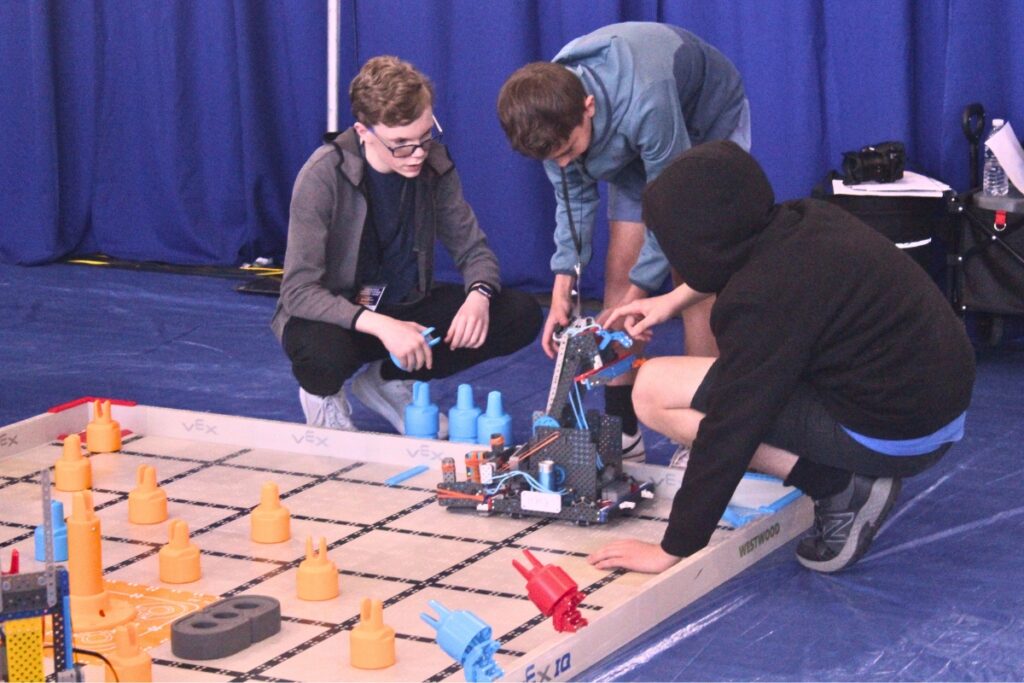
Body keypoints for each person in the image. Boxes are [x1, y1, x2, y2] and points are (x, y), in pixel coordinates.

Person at [587, 141, 976, 574]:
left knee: (653, 394)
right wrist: (671, 301)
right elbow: (739, 252)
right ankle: (840, 467)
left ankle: (838, 484)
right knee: (702, 388)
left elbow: (731, 428)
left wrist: (673, 548)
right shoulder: (806, 218)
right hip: (933, 404)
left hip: (897, 433)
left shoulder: (760, 301)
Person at [497, 22, 751, 462]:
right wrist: (562, 287)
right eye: (554, 158)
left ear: (588, 107)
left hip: (704, 120)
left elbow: (674, 215)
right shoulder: (549, 114)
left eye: (568, 150)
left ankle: (699, 432)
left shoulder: (646, 99)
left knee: (694, 276)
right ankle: (623, 430)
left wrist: (641, 297)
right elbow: (573, 200)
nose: (563, 163)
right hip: (629, 134)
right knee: (620, 272)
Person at [271, 56, 542, 435]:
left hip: (403, 307)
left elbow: (474, 252)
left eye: (425, 136)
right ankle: (323, 396)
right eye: (400, 143)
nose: (417, 153)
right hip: (340, 318)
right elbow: (298, 292)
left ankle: (388, 379)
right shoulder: (322, 175)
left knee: (519, 314)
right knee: (322, 353)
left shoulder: (434, 166)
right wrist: (383, 327)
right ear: (363, 132)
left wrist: (478, 296)